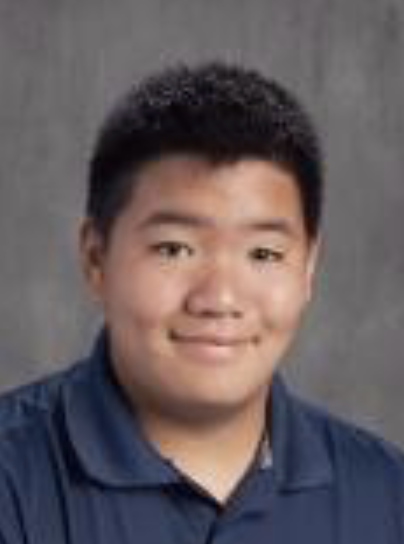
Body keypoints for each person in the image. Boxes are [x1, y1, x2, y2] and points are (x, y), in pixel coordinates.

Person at [0, 61, 403, 544]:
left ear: (308, 270)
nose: (220, 299)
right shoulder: (12, 479)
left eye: (263, 254)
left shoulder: (387, 495)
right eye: (174, 249)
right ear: (95, 257)